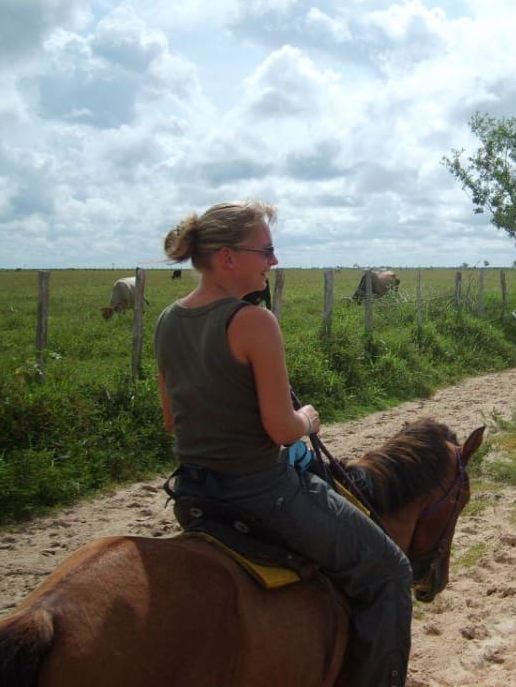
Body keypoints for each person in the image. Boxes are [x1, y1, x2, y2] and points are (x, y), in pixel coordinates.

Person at [155, 200, 410, 687]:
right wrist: (308, 419)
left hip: (193, 494)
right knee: (390, 571)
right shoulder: (253, 322)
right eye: (266, 250)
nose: (274, 261)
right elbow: (280, 429)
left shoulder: (168, 319)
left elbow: (172, 421)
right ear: (228, 257)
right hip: (262, 493)